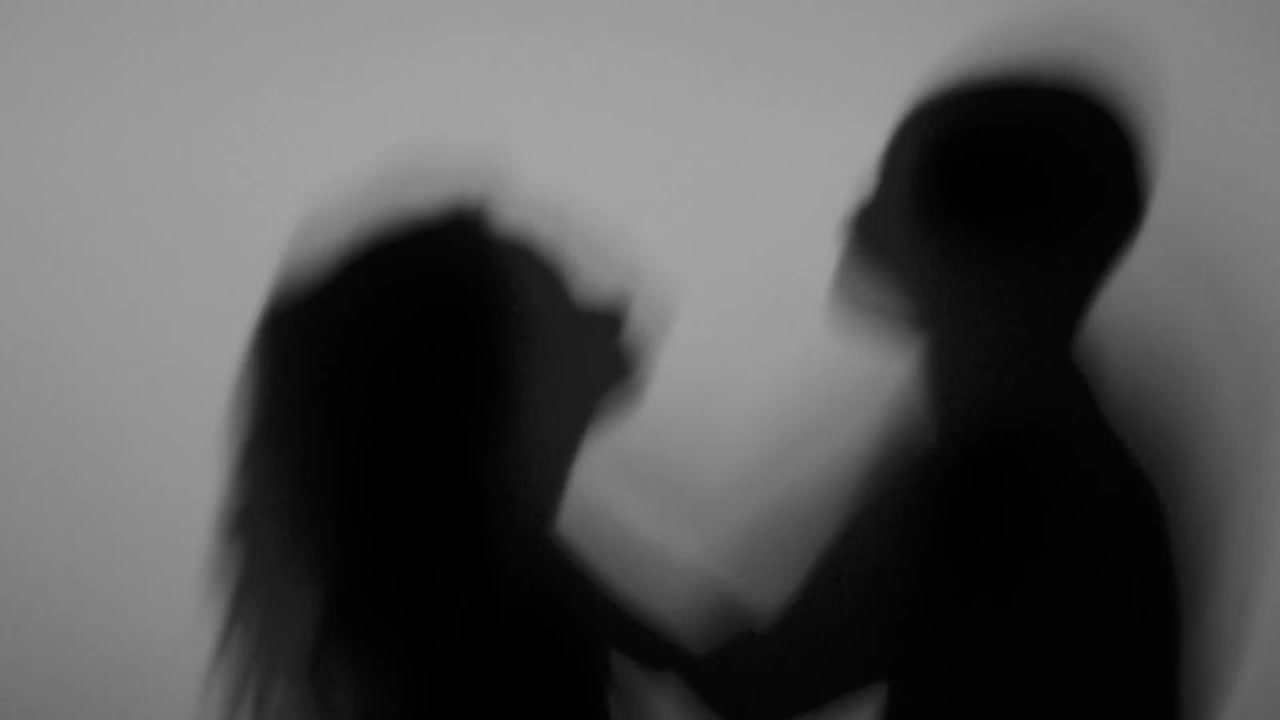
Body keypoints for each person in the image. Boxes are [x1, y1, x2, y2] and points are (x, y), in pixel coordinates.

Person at [678, 69, 1182, 719]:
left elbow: (759, 684)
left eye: (892, 189)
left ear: (972, 241)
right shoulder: (1067, 458)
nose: (858, 219)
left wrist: (554, 566)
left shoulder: (996, 478)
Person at [210, 202, 689, 719]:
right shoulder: (495, 629)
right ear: (473, 384)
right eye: (553, 299)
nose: (614, 313)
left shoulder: (452, 593)